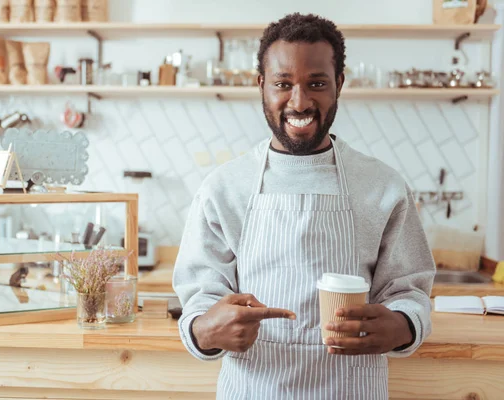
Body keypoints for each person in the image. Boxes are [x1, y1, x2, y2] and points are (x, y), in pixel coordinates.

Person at [172, 12, 436, 400]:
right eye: (283, 83)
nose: (300, 101)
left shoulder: (384, 186)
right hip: (253, 388)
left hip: (351, 388)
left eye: (317, 83)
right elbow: (200, 299)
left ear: (339, 85)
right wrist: (205, 330)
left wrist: (403, 325)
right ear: (261, 85)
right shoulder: (223, 188)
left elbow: (410, 291)